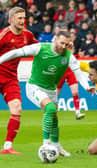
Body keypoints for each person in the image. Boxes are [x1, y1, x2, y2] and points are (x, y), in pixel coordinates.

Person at [0, 31, 95, 156]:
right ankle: (46, 145)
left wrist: (87, 86)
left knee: (54, 118)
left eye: (67, 44)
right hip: (34, 87)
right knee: (50, 108)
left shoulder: (69, 56)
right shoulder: (40, 48)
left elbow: (78, 73)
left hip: (51, 90)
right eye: (61, 43)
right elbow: (16, 52)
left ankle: (56, 145)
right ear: (55, 39)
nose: (63, 47)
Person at [0, 6, 38, 155]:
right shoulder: (3, 35)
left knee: (17, 108)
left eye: (24, 18)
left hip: (10, 79)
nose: (23, 21)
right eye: (19, 18)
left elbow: (39, 48)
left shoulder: (27, 35)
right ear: (11, 19)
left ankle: (7, 146)